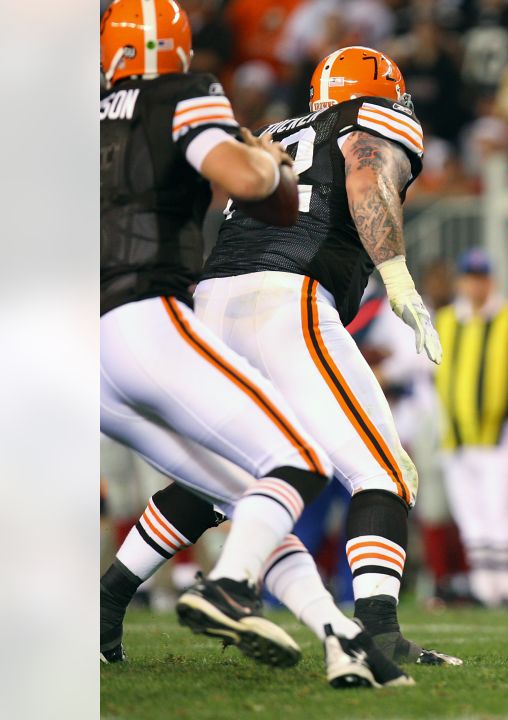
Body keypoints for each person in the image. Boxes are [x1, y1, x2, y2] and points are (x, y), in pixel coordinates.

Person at [99, 0, 408, 687]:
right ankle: (344, 620)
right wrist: (396, 272)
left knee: (237, 485)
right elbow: (325, 180)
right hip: (252, 302)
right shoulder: (194, 94)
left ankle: (109, 600)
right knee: (357, 467)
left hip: (181, 306)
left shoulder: (102, 119)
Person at [195, 45, 460, 665]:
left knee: (222, 476)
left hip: (212, 299)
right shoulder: (372, 119)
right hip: (287, 297)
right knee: (384, 470)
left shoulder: (272, 131)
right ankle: (379, 634)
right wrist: (397, 277)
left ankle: (106, 607)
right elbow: (367, 176)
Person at [433, 249, 508, 608]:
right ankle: (484, 586)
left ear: (491, 281)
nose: (475, 285)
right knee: (470, 514)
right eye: (470, 278)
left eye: (481, 278)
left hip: (498, 433)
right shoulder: (447, 320)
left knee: (500, 510)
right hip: (455, 434)